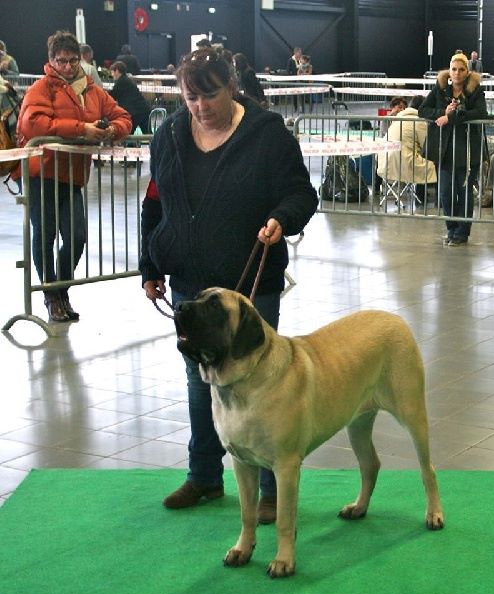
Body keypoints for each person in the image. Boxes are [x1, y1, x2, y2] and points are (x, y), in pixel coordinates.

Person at [139, 47, 318, 522]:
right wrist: (149, 266)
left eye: (209, 95)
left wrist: (283, 217)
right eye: (190, 96)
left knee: (262, 385)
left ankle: (272, 488)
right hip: (190, 286)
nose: (200, 106)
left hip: (251, 284)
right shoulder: (169, 135)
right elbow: (154, 202)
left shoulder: (266, 133)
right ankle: (203, 477)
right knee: (200, 383)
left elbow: (301, 192)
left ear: (231, 87)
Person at [15, 30, 132, 321]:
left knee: (77, 236)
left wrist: (110, 130)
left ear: (80, 60)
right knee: (45, 234)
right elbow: (33, 124)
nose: (67, 67)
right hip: (42, 172)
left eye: (72, 61)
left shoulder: (92, 89)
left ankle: (61, 288)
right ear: (51, 61)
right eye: (61, 61)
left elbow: (124, 117)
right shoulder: (41, 88)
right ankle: (51, 296)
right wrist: (82, 129)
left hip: (73, 175)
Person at [419, 52, 487, 246]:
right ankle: (451, 229)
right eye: (454, 69)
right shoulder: (439, 89)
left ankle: (462, 232)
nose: (457, 73)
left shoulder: (476, 91)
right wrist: (443, 112)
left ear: (467, 72)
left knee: (464, 192)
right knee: (446, 193)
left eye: (461, 69)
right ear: (449, 71)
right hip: (444, 151)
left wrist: (452, 117)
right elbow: (423, 110)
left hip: (468, 152)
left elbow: (481, 112)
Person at [377, 95, 437, 202]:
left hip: (385, 161)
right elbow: (427, 145)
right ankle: (430, 198)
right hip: (403, 161)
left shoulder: (398, 119)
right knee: (435, 164)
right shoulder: (418, 121)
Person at [109, 61, 150, 133]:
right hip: (142, 109)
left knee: (127, 133)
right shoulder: (127, 80)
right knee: (147, 134)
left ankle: (130, 144)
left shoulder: (121, 82)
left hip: (135, 112)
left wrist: (101, 95)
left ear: (117, 71)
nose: (112, 75)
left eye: (112, 72)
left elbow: (112, 96)